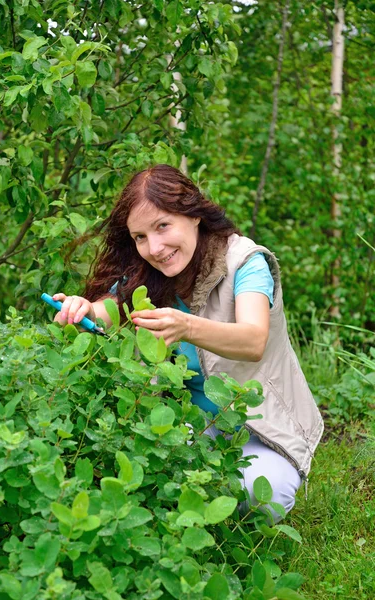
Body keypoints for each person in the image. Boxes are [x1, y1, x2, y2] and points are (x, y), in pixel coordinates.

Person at [53, 164, 323, 522]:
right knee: (135, 472)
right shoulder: (148, 273)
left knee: (265, 496)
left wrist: (186, 326)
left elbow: (253, 339)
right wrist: (81, 309)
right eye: (140, 237)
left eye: (163, 226)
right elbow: (109, 309)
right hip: (189, 424)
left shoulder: (246, 261)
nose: (155, 248)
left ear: (193, 215)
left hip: (260, 426)